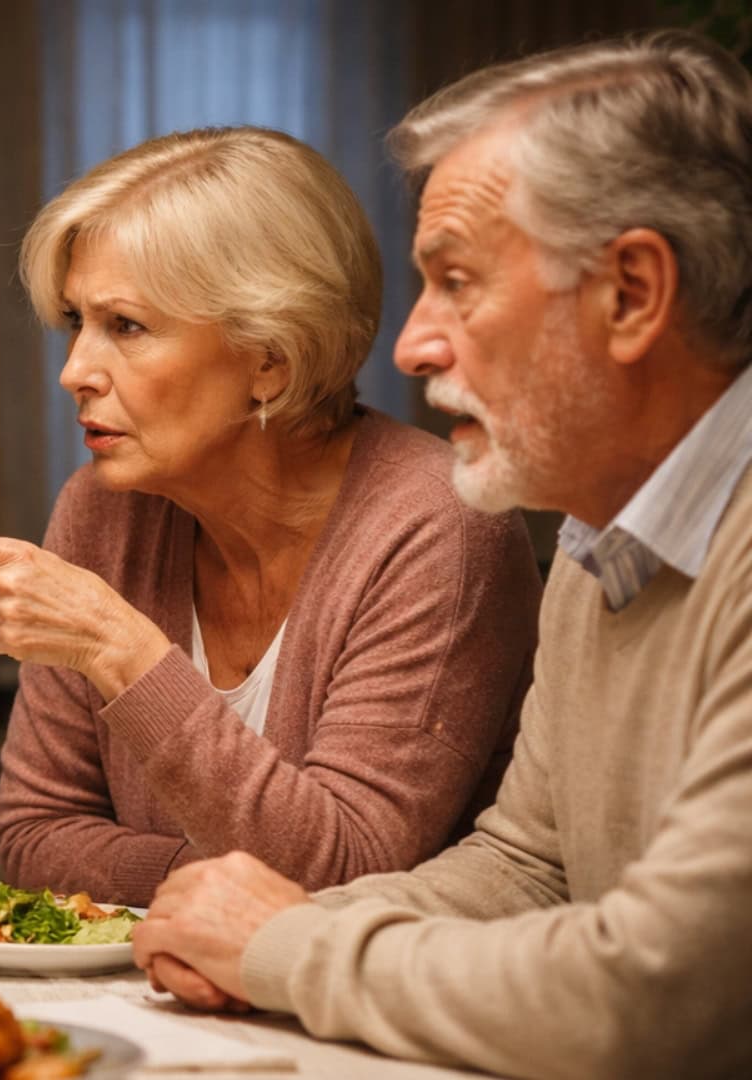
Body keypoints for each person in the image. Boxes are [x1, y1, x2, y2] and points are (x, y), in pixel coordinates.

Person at [129, 31, 752, 1080]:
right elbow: (528, 865)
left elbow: (658, 995)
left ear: (633, 293)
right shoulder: (596, 544)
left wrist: (287, 948)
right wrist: (257, 930)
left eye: (458, 281)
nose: (412, 345)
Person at [0, 126, 541, 907]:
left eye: (126, 326)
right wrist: (213, 881)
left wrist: (119, 649)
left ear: (271, 359)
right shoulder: (101, 512)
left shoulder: (438, 524)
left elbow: (346, 871)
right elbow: (34, 835)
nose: (74, 371)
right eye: (74, 322)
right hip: (168, 974)